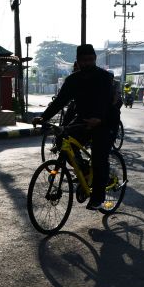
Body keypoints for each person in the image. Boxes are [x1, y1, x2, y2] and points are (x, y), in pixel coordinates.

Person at [32, 44, 114, 210]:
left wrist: (99, 118)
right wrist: (44, 117)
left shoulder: (104, 77)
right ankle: (83, 170)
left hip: (105, 121)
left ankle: (98, 197)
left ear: (95, 59)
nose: (88, 63)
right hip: (83, 121)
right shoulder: (72, 81)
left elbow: (108, 102)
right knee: (63, 141)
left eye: (91, 59)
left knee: (99, 158)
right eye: (84, 60)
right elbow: (60, 101)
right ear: (78, 61)